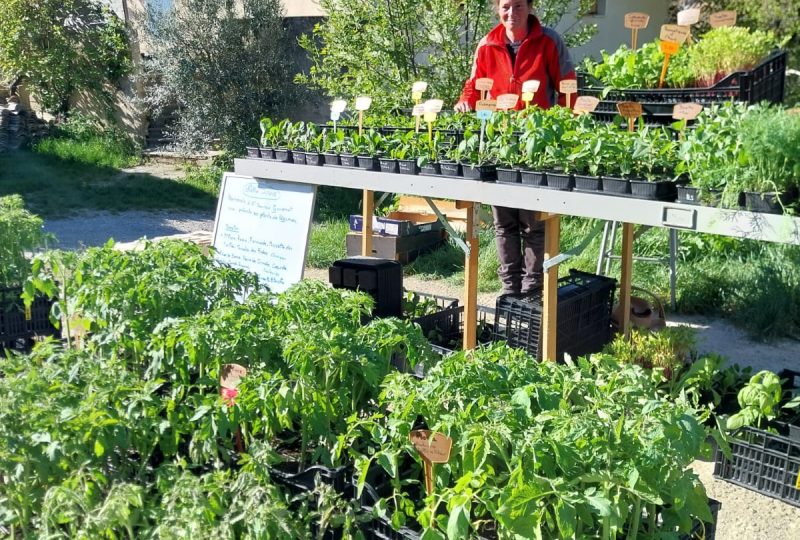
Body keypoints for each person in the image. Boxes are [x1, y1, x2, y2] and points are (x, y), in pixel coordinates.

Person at [454, 0, 576, 296]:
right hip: (499, 141)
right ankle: (510, 289)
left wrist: (565, 126)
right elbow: (474, 85)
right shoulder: (487, 44)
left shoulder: (549, 41)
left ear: (530, 7)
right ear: (498, 9)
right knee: (504, 221)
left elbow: (567, 85)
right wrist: (464, 102)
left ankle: (533, 288)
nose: (512, 13)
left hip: (536, 142)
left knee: (533, 223)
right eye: (506, 6)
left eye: (519, 6)